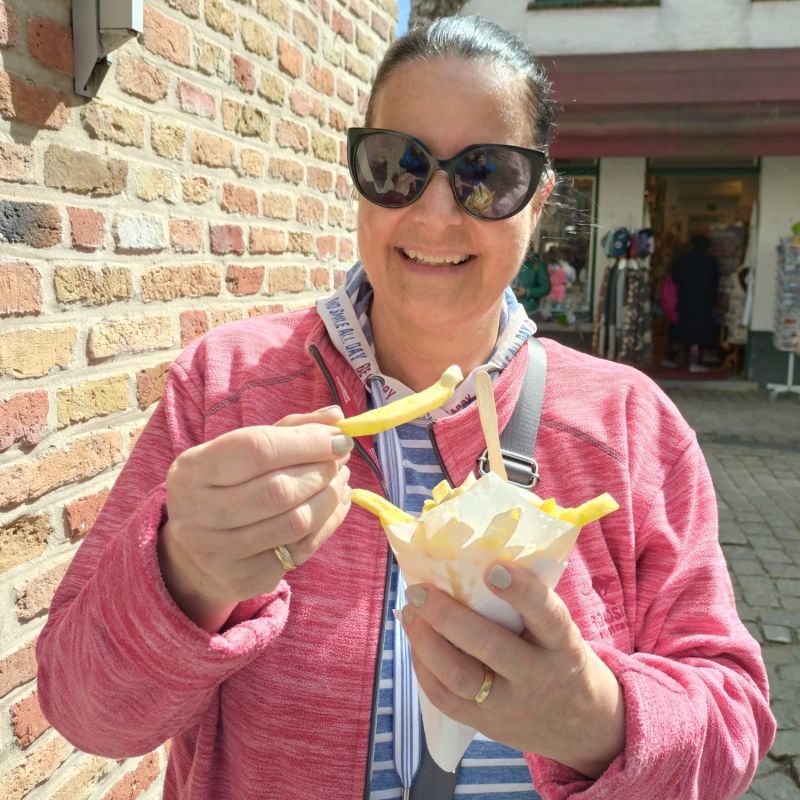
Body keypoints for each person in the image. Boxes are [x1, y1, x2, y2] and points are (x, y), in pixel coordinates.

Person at [37, 16, 774, 800]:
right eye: (398, 165)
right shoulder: (227, 388)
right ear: (358, 174)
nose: (434, 215)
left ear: (538, 201)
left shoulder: (630, 423)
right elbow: (88, 714)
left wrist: (597, 720)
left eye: (486, 175)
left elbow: (733, 723)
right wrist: (185, 573)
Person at [670, 232, 720, 372]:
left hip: (685, 299)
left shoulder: (683, 260)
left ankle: (676, 359)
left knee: (684, 328)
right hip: (703, 301)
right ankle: (695, 361)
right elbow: (715, 283)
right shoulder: (710, 261)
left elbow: (675, 278)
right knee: (699, 331)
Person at [513, 246, 551, 319]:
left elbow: (545, 288)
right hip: (507, 310)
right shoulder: (507, 262)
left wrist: (527, 291)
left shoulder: (537, 265)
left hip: (529, 310)